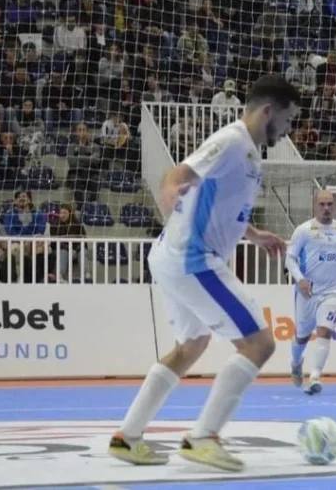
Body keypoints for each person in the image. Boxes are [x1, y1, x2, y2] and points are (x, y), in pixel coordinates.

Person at [107, 75, 299, 472]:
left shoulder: (248, 152)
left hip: (172, 256)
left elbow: (219, 203)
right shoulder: (231, 141)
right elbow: (181, 173)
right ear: (268, 112)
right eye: (288, 120)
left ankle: (127, 437)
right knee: (260, 344)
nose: (288, 129)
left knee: (191, 345)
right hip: (193, 258)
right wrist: (169, 188)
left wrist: (253, 233)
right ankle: (203, 437)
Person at [284, 189, 336, 395]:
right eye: (322, 204)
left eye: (329, 204)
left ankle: (315, 376)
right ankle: (295, 362)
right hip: (308, 292)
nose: (326, 208)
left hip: (333, 291)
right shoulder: (304, 230)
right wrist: (300, 280)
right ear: (314, 206)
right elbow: (289, 259)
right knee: (301, 337)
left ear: (334, 205)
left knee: (325, 330)